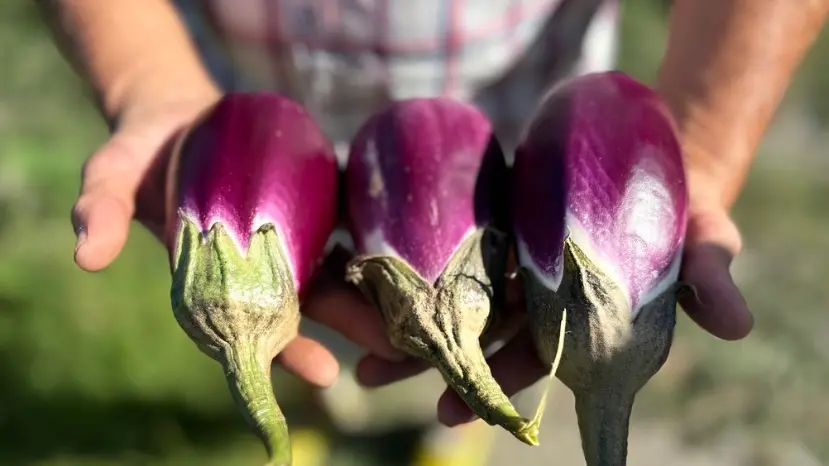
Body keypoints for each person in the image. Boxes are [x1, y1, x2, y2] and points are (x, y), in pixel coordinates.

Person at [38, 0, 828, 442]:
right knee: (325, 338)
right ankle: (315, 419)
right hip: (263, 135)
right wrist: (147, 78)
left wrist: (702, 143)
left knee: (477, 336)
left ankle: (451, 435)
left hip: (525, 170)